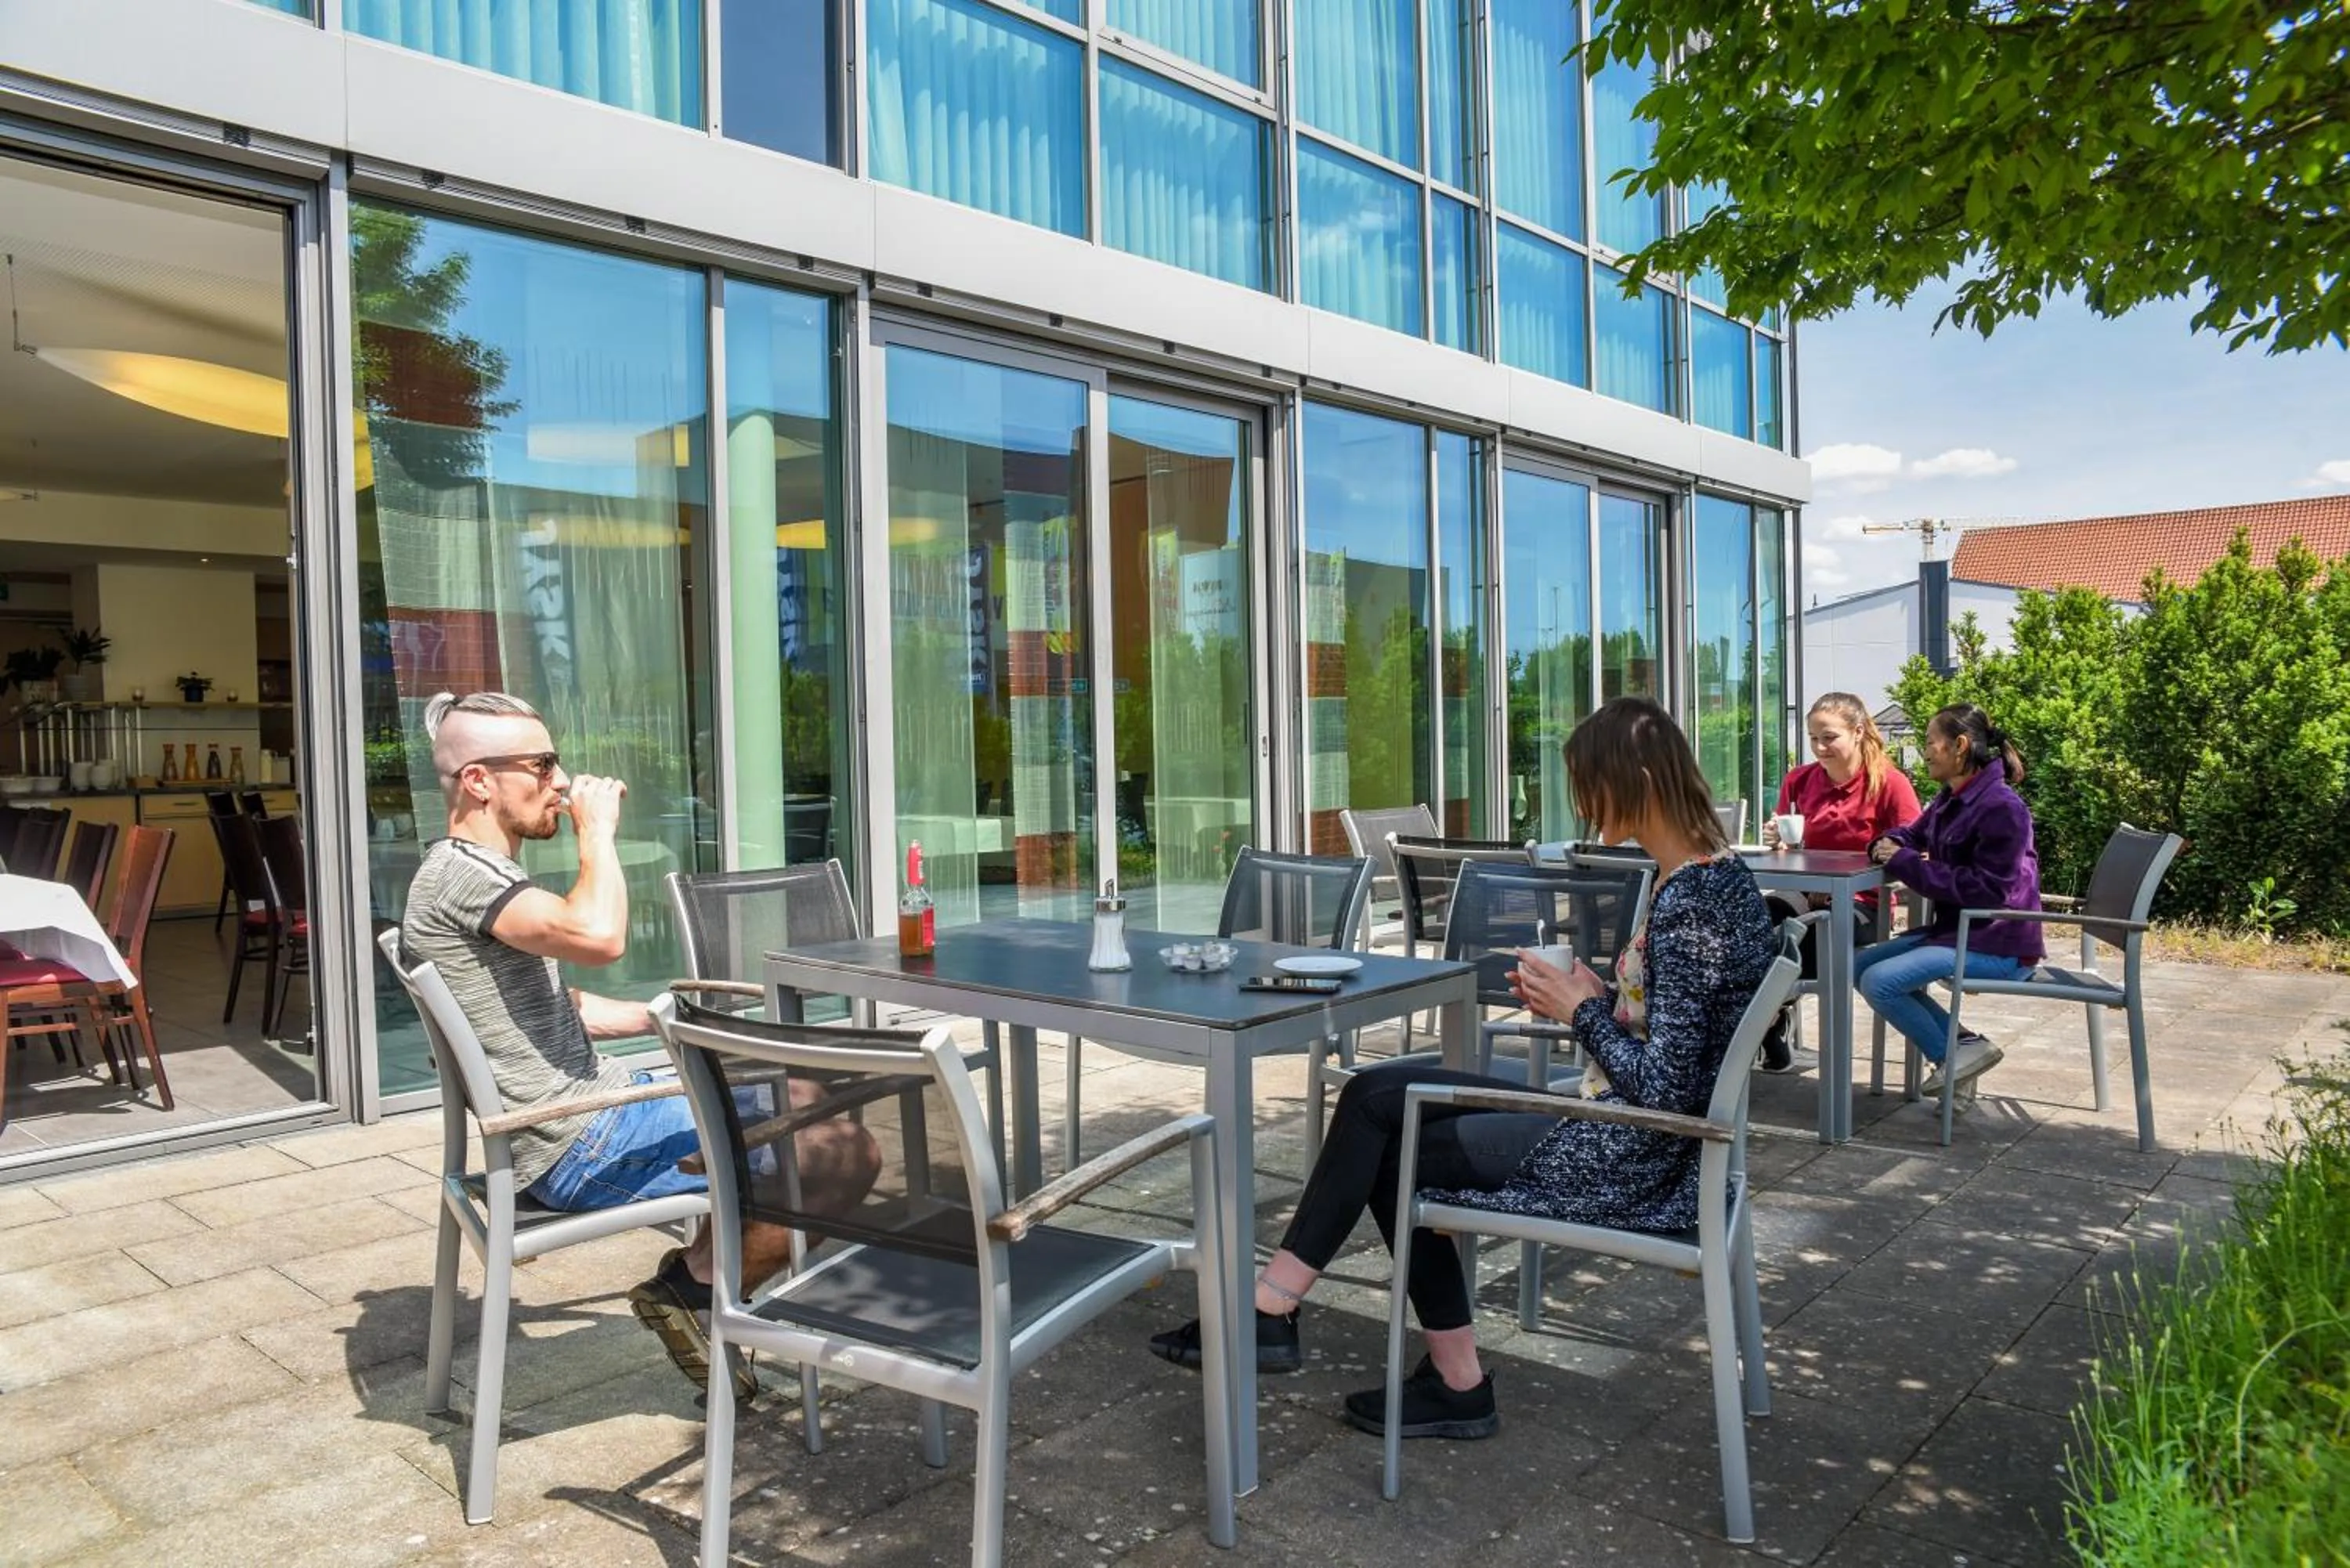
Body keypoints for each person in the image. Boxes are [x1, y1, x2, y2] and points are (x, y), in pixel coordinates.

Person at [1145, 698, 1776, 1440]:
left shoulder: (1692, 902)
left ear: (1637, 781)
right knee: (1375, 1092)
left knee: (1394, 1144)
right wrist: (1601, 1000)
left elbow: (1669, 1090)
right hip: (1631, 1135)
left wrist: (1581, 1011)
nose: (1581, 804)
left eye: (1589, 785)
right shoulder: (1709, 878)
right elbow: (1679, 1040)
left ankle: (1425, 1369)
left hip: (1631, 1157)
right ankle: (1278, 1313)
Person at [399, 690, 878, 1399]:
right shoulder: (465, 876)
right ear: (479, 780)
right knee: (842, 1151)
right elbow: (600, 938)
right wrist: (597, 834)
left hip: (594, 1112)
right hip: (577, 1142)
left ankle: (706, 1280)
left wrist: (663, 1020)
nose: (561, 781)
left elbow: (547, 1006)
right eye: (542, 765)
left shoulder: (471, 874)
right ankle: (695, 1289)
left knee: (803, 1096)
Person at [1853, 702, 2044, 1099]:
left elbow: (1989, 890)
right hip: (1957, 934)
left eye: (1929, 742)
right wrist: (1886, 844)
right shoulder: (1949, 799)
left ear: (1959, 746)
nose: (1924, 751)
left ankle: (1949, 1055)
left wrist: (1903, 861)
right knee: (1857, 967)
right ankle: (1965, 1046)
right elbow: (1911, 834)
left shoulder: (2003, 808)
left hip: (1999, 946)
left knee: (1880, 982)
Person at [1755, 693, 1922, 1070]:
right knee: (1752, 925)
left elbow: (1915, 847)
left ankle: (1770, 1016)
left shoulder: (1889, 784)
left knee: (1799, 943)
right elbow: (1789, 847)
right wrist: (1778, 840)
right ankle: (1768, 1019)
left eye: (1829, 737)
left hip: (1863, 902)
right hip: (1803, 892)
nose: (1819, 748)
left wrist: (1886, 851)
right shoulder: (1799, 781)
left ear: (1858, 732)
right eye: (1813, 738)